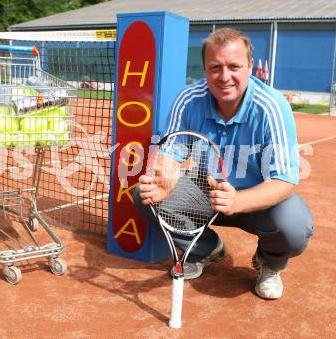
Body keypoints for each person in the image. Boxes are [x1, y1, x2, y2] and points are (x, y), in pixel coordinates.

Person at [133, 27, 314, 300]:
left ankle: (270, 264)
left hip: (257, 198)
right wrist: (163, 180)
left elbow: (284, 180)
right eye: (215, 67)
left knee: (294, 225)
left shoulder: (272, 106)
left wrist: (238, 201)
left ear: (250, 66)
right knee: (144, 196)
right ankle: (205, 248)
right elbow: (170, 152)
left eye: (234, 66)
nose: (224, 76)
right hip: (206, 191)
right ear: (205, 69)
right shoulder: (188, 99)